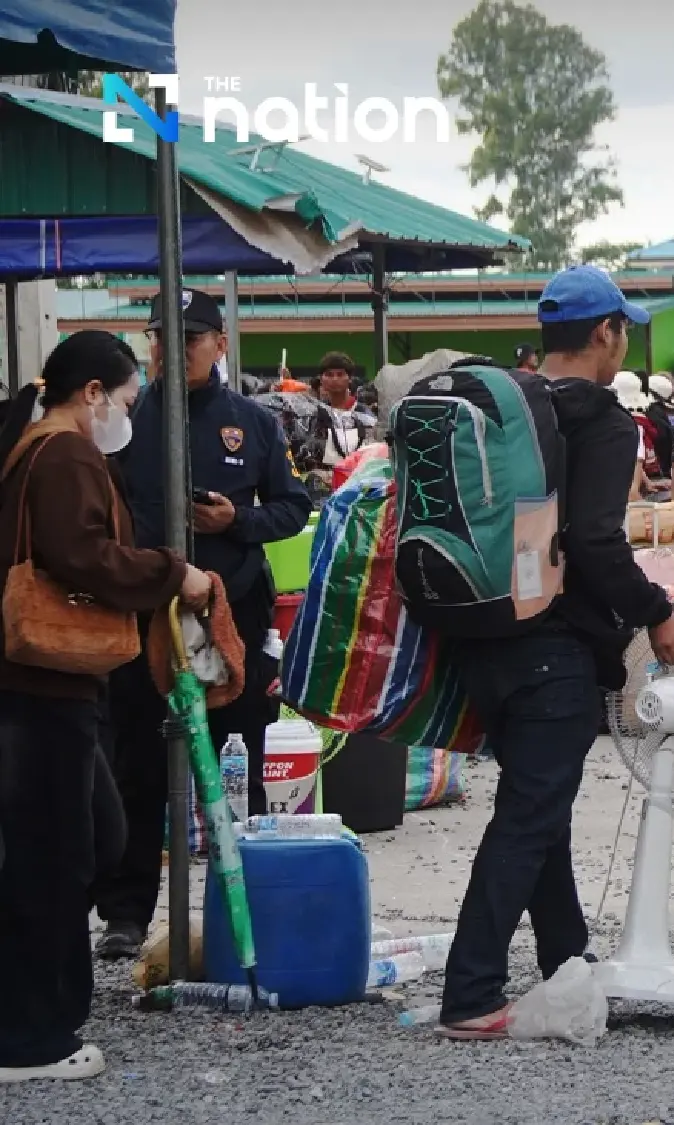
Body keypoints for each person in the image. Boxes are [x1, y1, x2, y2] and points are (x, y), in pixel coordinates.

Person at [437, 268, 674, 1039]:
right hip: (553, 649)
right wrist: (657, 612)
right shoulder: (604, 420)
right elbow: (594, 540)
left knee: (537, 804)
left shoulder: (510, 404)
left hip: (483, 633)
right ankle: (471, 991)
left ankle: (566, 958)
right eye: (622, 331)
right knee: (529, 815)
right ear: (605, 333)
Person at [0, 332, 210, 1084]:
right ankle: (29, 1038)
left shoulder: (32, 445)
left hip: (51, 685)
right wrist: (171, 572)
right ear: (91, 392)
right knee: (52, 853)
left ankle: (43, 1011)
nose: (125, 413)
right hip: (43, 683)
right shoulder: (63, 452)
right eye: (123, 399)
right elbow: (81, 553)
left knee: (92, 834)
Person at [95, 289, 312, 961]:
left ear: (219, 343)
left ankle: (241, 903)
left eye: (189, 337)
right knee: (137, 765)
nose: (174, 348)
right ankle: (126, 914)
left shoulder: (252, 422)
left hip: (230, 616)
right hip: (143, 617)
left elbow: (293, 507)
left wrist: (236, 520)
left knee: (234, 763)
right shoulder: (125, 420)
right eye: (161, 336)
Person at [313, 351, 371, 467]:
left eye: (340, 374)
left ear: (350, 378)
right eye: (329, 374)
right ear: (321, 379)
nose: (335, 379)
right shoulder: (316, 413)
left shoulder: (365, 414)